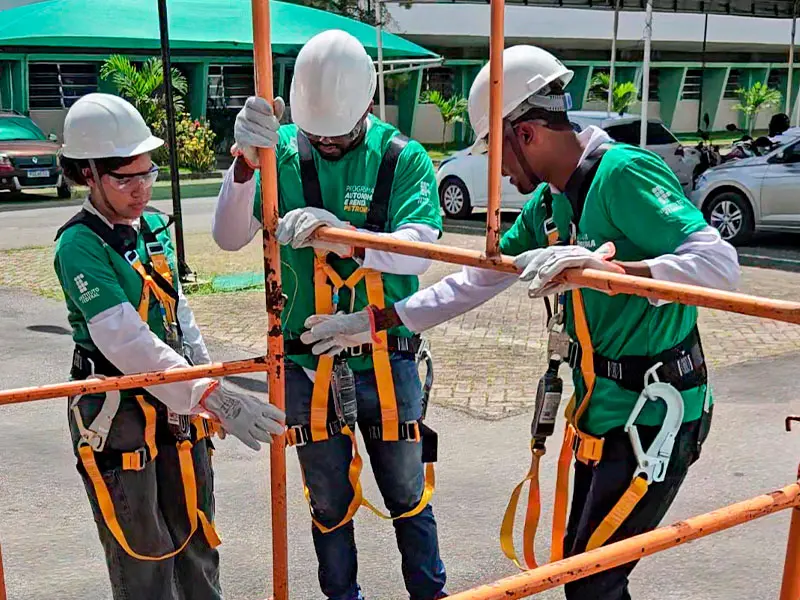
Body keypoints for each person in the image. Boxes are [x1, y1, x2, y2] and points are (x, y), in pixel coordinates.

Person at [298, 45, 741, 599]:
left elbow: (720, 265)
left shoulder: (622, 175)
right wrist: (374, 322)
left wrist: (611, 273)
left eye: (495, 152)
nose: (500, 171)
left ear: (525, 134)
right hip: (605, 413)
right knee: (586, 576)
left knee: (592, 581)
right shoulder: (549, 206)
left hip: (659, 414)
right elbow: (476, 281)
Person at [211, 29, 447, 600]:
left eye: (337, 134)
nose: (326, 144)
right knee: (328, 501)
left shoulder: (400, 157)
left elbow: (420, 246)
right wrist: (243, 167)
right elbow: (228, 236)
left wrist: (344, 238)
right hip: (306, 362)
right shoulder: (279, 153)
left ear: (367, 104)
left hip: (385, 358)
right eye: (317, 134)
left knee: (407, 492)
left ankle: (429, 592)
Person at [54, 93, 286, 600]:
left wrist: (207, 381)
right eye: (125, 179)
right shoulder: (78, 246)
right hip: (118, 411)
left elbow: (179, 314)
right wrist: (211, 396)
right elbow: (126, 341)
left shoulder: (154, 226)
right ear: (89, 174)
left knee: (196, 535)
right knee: (145, 554)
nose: (141, 189)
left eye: (148, 174)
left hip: (179, 400)